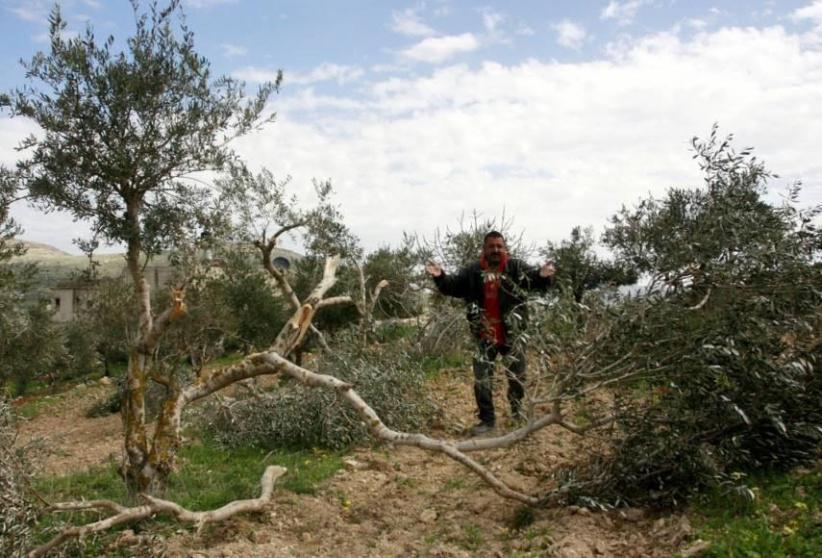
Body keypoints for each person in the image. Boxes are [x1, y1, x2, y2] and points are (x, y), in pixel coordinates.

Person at [425, 231, 555, 436]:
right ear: (484, 249)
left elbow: (533, 280)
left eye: (499, 246)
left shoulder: (515, 267)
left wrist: (543, 275)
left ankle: (516, 411)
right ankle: (487, 420)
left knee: (517, 377)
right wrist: (440, 276)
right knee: (482, 379)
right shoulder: (472, 271)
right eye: (491, 246)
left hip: (512, 335)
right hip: (483, 336)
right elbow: (453, 286)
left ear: (505, 248)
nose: (495, 249)